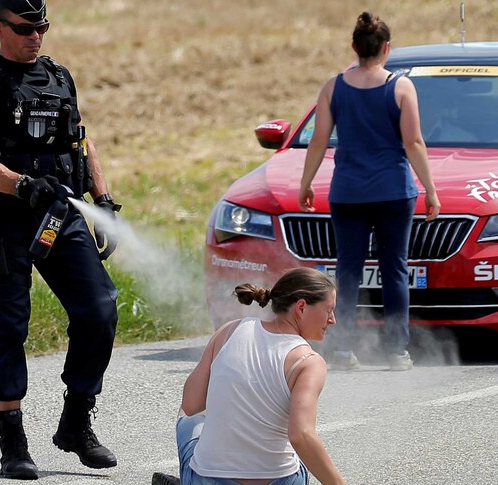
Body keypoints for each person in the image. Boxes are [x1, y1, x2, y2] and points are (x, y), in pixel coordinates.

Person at [0, 0, 121, 479]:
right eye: (26, 28)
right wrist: (24, 185)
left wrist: (103, 197)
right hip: (9, 222)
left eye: (42, 27)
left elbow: (81, 140)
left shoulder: (58, 76)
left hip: (62, 217)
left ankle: (75, 423)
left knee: (100, 309)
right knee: (10, 328)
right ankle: (13, 444)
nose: (36, 36)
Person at [298, 11, 440, 371]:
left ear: (354, 47)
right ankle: (396, 352)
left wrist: (306, 183)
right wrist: (431, 190)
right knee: (394, 268)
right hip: (394, 192)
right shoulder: (402, 87)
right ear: (386, 48)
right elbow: (414, 142)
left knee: (347, 272)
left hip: (347, 193)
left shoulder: (334, 88)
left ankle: (343, 350)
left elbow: (317, 141)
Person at [174, 267, 346, 485]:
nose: (333, 320)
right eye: (329, 310)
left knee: (188, 423)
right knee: (298, 460)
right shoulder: (309, 361)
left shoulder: (230, 330)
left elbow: (191, 405)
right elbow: (301, 435)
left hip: (209, 479)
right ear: (301, 307)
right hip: (279, 481)